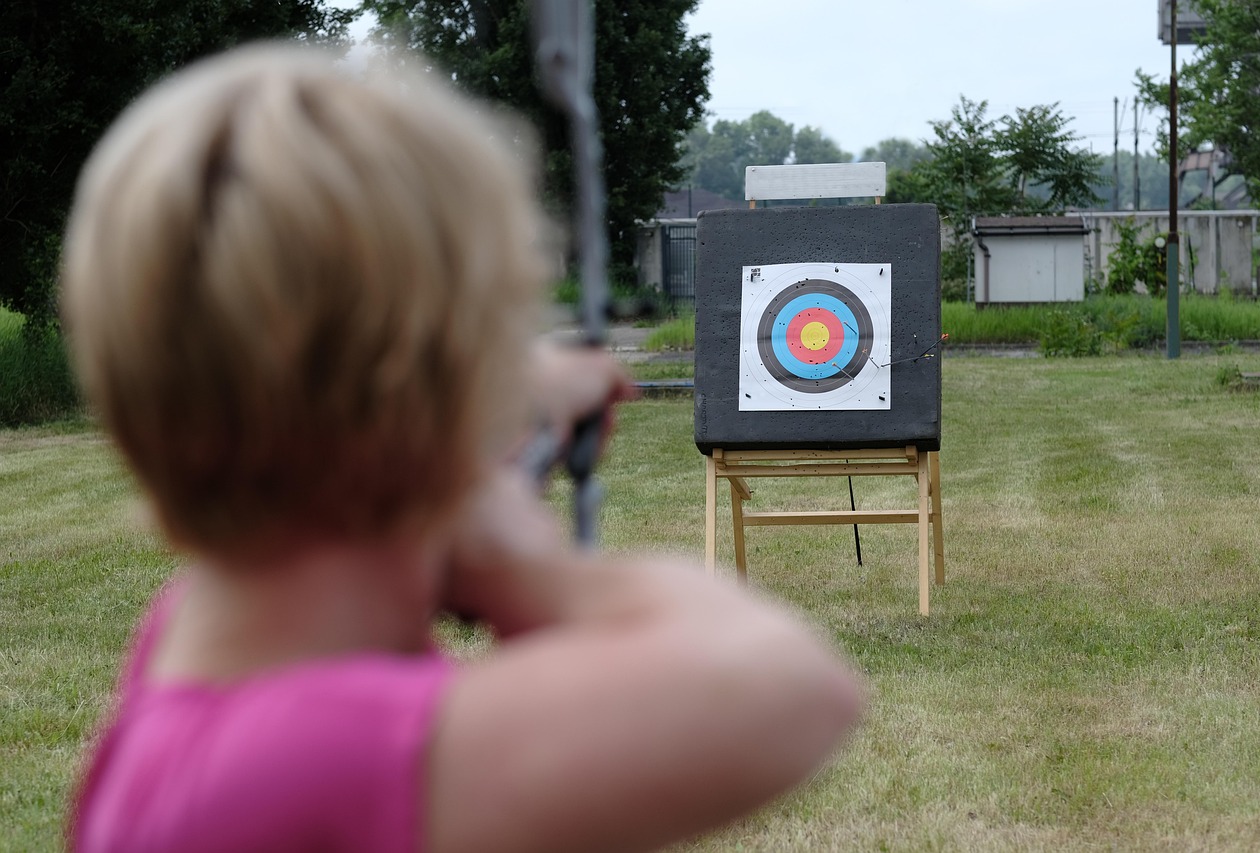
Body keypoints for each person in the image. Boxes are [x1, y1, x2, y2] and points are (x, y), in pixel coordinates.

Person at [62, 44, 866, 853]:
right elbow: (789, 686)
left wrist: (479, 410)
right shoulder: (318, 757)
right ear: (434, 406)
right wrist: (529, 567)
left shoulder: (198, 651)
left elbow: (338, 435)